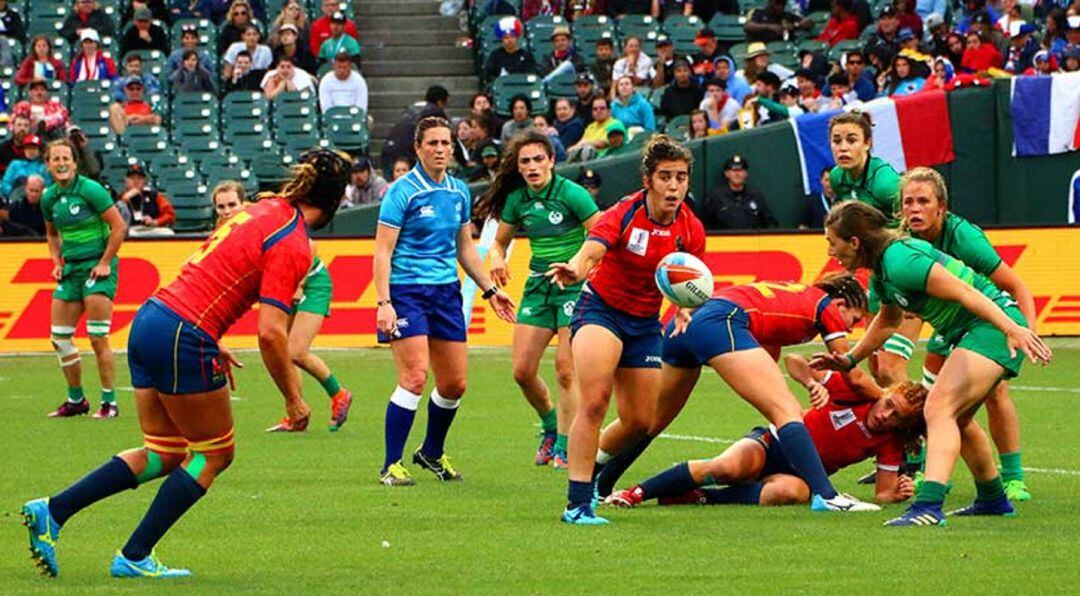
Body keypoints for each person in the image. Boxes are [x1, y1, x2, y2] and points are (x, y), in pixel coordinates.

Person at [21, 149, 351, 579]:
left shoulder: (260, 208)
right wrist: (294, 399)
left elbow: (212, 270)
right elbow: (271, 333)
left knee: (165, 452)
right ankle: (135, 554)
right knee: (215, 454)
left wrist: (208, 336)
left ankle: (54, 510)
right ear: (336, 200)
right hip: (185, 333)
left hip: (154, 318)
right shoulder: (294, 241)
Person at [815, 199, 1051, 527]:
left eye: (832, 242)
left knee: (938, 408)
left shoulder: (900, 260)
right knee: (960, 418)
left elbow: (967, 293)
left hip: (990, 327)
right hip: (977, 329)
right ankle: (993, 498)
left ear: (855, 242)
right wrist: (850, 358)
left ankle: (928, 506)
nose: (830, 252)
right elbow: (887, 320)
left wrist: (1013, 328)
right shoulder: (884, 268)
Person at [594, 275, 883, 510]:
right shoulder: (825, 306)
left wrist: (810, 383)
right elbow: (853, 374)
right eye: (854, 319)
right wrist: (884, 394)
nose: (852, 327)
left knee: (650, 420)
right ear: (841, 304)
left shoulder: (793, 296)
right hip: (723, 321)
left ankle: (598, 485)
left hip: (688, 322)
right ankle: (827, 497)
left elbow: (764, 357)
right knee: (787, 411)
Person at [546, 135, 706, 525]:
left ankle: (594, 471)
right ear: (648, 179)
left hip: (646, 324)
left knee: (640, 420)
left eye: (681, 177)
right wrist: (576, 267)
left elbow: (691, 281)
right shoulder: (624, 212)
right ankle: (577, 503)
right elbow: (593, 250)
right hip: (600, 311)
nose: (674, 186)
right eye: (665, 177)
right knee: (596, 400)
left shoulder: (690, 228)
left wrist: (684, 308)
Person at [374, 117, 516, 486]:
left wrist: (489, 289)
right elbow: (382, 251)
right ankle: (391, 464)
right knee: (415, 376)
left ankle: (431, 452)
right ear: (418, 148)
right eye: (432, 143)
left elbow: (464, 248)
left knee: (454, 384)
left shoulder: (458, 191)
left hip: (445, 293)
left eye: (445, 143)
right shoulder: (402, 192)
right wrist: (383, 302)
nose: (440, 149)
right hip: (406, 291)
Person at [608, 357, 925, 508]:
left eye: (897, 416)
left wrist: (899, 492)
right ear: (883, 394)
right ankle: (635, 493)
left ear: (905, 426)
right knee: (726, 468)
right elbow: (796, 361)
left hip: (801, 475)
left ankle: (703, 499)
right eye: (888, 404)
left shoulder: (891, 443)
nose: (885, 415)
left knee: (793, 495)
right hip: (771, 443)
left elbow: (883, 493)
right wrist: (812, 383)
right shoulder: (856, 393)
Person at [900, 167, 1036, 501]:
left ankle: (1014, 479)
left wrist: (1025, 333)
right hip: (950, 328)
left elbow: (1016, 284)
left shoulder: (964, 238)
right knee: (936, 401)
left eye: (923, 201)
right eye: (908, 202)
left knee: (994, 392)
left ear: (941, 208)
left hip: (986, 324)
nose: (914, 209)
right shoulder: (901, 242)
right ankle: (936, 475)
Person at [474, 130, 601, 469]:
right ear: (518, 167)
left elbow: (602, 234)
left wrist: (582, 267)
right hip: (537, 287)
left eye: (538, 160)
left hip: (572, 285)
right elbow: (500, 242)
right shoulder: (517, 199)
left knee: (565, 369)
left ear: (552, 161)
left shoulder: (572, 194)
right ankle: (548, 426)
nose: (532, 167)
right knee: (522, 371)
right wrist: (497, 257)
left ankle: (563, 446)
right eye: (525, 161)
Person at [36, 139, 126, 420]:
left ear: (75, 163)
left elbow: (118, 226)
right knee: (59, 338)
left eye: (66, 158)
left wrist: (104, 262)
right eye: (56, 159)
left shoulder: (91, 189)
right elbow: (52, 235)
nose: (61, 163)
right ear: (48, 164)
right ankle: (76, 400)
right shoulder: (49, 197)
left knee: (98, 338)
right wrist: (56, 263)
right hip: (71, 270)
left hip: (97, 269)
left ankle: (109, 402)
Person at [827, 112, 912, 386]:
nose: (843, 147)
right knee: (877, 367)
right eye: (837, 141)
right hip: (881, 277)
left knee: (889, 367)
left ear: (868, 143)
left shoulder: (885, 183)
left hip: (909, 273)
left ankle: (921, 424)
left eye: (851, 140)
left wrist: (911, 279)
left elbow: (915, 226)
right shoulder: (838, 177)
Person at [697, 154, 776, 229]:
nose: (737, 174)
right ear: (727, 174)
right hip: (724, 241)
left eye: (740, 170)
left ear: (745, 173)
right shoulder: (715, 197)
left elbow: (770, 223)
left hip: (751, 241)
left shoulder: (755, 195)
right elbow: (704, 225)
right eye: (734, 170)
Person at [117, 162, 175, 236]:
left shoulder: (154, 195)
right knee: (130, 234)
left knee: (168, 233)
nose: (136, 181)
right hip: (130, 229)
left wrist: (155, 222)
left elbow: (170, 215)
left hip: (150, 228)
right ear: (126, 181)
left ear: (144, 181)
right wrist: (124, 200)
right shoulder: (119, 197)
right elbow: (112, 219)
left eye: (139, 178)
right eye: (132, 178)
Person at [566, 95, 619, 162]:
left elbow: (605, 143)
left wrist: (586, 143)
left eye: (602, 108)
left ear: (609, 110)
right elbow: (581, 143)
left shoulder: (615, 124)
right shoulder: (590, 127)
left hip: (606, 159)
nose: (598, 111)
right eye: (595, 109)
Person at [744, 0, 811, 43]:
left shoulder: (786, 15)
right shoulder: (759, 13)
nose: (780, 6)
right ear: (770, 2)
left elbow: (809, 22)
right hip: (764, 47)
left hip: (785, 48)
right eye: (777, 3)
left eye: (783, 4)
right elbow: (748, 26)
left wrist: (795, 26)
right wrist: (768, 27)